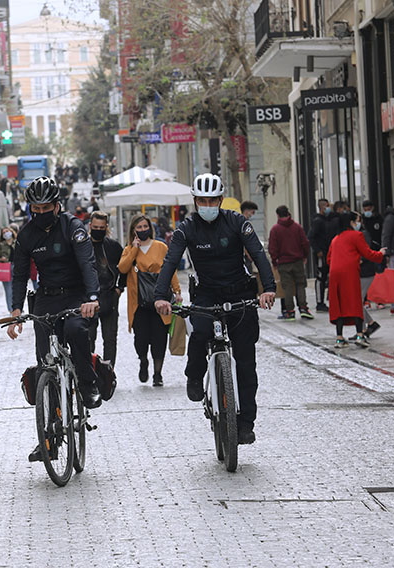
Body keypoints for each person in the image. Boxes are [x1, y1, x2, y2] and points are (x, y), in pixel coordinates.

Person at [154, 174, 276, 445]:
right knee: (200, 333)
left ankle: (245, 424)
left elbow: (257, 254)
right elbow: (170, 261)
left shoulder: (237, 222)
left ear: (220, 201)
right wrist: (160, 296)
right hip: (206, 294)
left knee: (246, 363)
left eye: (212, 200)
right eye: (202, 201)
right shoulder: (186, 228)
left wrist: (268, 288)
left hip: (240, 294)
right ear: (195, 202)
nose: (207, 204)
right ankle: (194, 376)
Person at [7, 176, 102, 462]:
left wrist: (92, 299)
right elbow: (19, 274)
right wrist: (15, 311)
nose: (39, 213)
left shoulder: (73, 228)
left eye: (45, 207)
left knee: (75, 331)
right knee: (44, 364)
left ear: (57, 205)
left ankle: (87, 383)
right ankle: (47, 437)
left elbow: (87, 263)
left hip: (76, 296)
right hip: (46, 298)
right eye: (34, 209)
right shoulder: (26, 236)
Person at [118, 215, 181, 386]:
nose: (143, 230)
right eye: (139, 227)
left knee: (160, 338)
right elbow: (122, 268)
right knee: (141, 338)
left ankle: (157, 373)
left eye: (145, 226)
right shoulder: (129, 249)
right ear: (133, 230)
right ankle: (143, 360)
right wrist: (134, 249)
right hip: (139, 302)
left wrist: (177, 291)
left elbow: (170, 269)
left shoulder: (160, 247)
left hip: (161, 300)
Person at [328, 212, 387, 347]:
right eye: (357, 221)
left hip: (335, 274)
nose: (358, 223)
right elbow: (367, 253)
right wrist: (380, 254)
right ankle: (360, 335)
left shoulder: (335, 239)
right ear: (351, 222)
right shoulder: (356, 235)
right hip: (349, 272)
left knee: (339, 304)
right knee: (355, 302)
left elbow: (329, 258)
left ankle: (339, 338)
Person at [88, 212, 127, 367]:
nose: (98, 230)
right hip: (88, 298)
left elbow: (125, 267)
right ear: (90, 226)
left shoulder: (113, 246)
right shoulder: (82, 246)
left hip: (109, 296)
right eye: (95, 227)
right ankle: (89, 372)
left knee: (110, 338)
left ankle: (108, 373)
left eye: (101, 227)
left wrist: (119, 288)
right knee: (88, 337)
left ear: (106, 227)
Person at [268, 205, 312, 320]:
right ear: (288, 213)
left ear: (277, 215)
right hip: (297, 261)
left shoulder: (275, 229)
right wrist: (304, 255)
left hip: (283, 262)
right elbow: (305, 243)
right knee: (300, 285)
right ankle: (303, 308)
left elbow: (272, 248)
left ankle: (290, 311)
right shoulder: (297, 227)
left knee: (287, 287)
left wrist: (274, 261)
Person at [306, 198, 335, 312]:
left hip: (329, 252)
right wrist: (318, 250)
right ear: (322, 207)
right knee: (321, 277)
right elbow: (311, 237)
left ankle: (327, 300)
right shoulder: (318, 221)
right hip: (322, 254)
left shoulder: (328, 220)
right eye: (326, 206)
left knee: (328, 277)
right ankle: (320, 302)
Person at [0, 226, 18, 312]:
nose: (6, 233)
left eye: (7, 231)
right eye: (4, 232)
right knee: (8, 290)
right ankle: (11, 309)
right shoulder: (1, 245)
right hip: (6, 268)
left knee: (17, 289)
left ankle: (17, 308)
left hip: (16, 267)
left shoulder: (17, 243)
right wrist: (1, 259)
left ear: (11, 232)